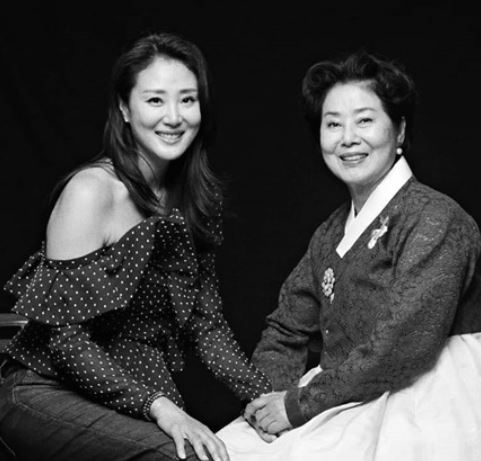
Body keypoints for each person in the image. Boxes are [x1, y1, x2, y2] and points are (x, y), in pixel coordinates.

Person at [0, 31, 271, 461]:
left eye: (187, 99)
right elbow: (65, 342)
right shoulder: (91, 191)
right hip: (45, 388)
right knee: (180, 455)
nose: (174, 117)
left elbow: (206, 325)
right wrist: (160, 407)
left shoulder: (197, 199)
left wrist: (264, 398)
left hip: (133, 392)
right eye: (155, 100)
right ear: (125, 108)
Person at [217, 51, 481, 460]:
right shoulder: (330, 234)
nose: (348, 138)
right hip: (340, 395)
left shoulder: (435, 218)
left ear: (399, 131)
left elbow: (404, 345)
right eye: (333, 124)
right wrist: (267, 399)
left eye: (364, 120)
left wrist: (297, 406)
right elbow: (286, 328)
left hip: (424, 399)